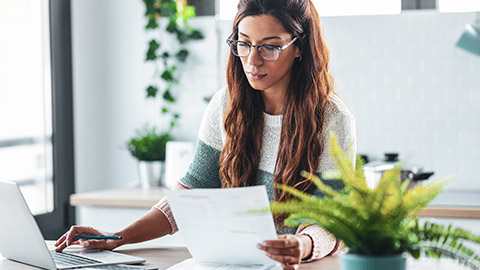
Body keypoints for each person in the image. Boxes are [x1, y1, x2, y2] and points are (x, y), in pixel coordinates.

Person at [55, 0, 356, 269]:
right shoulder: (226, 104)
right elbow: (192, 193)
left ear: (300, 47)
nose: (252, 60)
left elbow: (334, 221)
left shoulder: (333, 119)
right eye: (244, 43)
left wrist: (302, 246)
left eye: (270, 46)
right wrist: (117, 237)